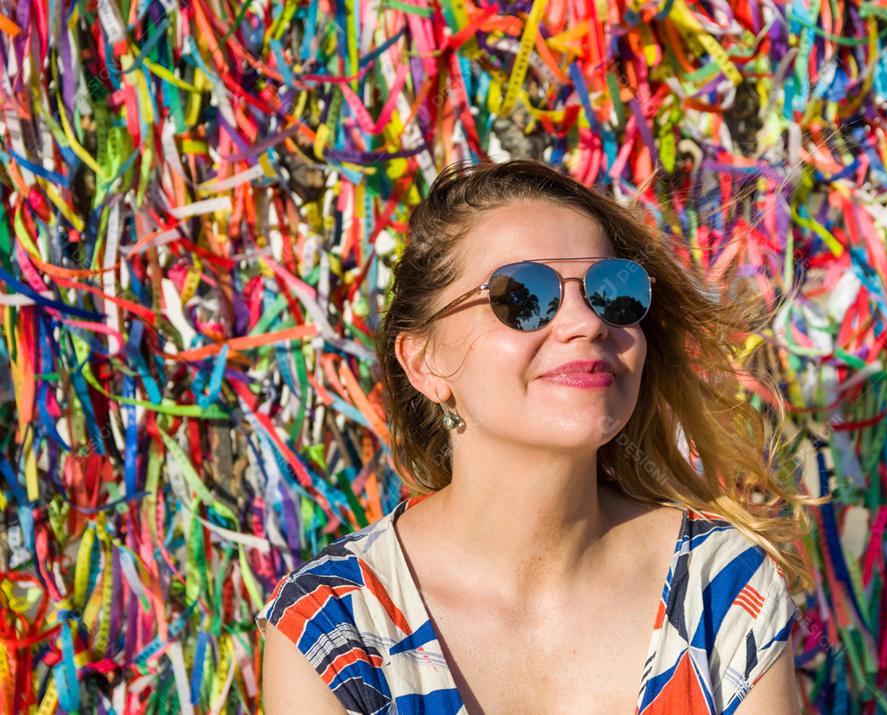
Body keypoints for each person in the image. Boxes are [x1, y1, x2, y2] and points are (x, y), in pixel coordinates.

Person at [258, 159, 818, 714]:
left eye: (612, 293)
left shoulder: (721, 586)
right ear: (424, 362)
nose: (588, 322)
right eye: (522, 297)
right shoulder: (334, 625)